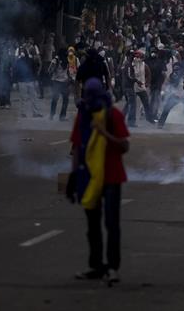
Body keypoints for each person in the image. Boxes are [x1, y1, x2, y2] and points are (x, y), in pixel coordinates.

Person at [69, 78, 129, 282]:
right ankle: (95, 266)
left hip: (112, 176)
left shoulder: (113, 115)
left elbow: (124, 146)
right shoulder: (83, 116)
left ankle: (113, 268)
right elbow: (76, 148)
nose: (89, 98)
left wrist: (104, 133)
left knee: (112, 224)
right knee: (92, 225)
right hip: (88, 177)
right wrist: (72, 178)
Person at [14, 46, 41, 118]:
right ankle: (25, 113)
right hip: (24, 82)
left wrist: (36, 80)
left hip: (29, 81)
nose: (22, 52)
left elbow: (35, 70)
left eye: (23, 51)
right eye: (21, 51)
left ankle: (34, 113)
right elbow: (15, 72)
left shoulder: (29, 60)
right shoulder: (20, 61)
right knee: (25, 98)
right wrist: (15, 82)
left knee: (32, 98)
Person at [48, 49, 71, 121]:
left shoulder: (55, 60)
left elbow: (50, 70)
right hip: (65, 82)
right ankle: (62, 116)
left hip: (56, 82)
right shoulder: (67, 60)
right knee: (65, 100)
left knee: (55, 99)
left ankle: (51, 115)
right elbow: (69, 71)